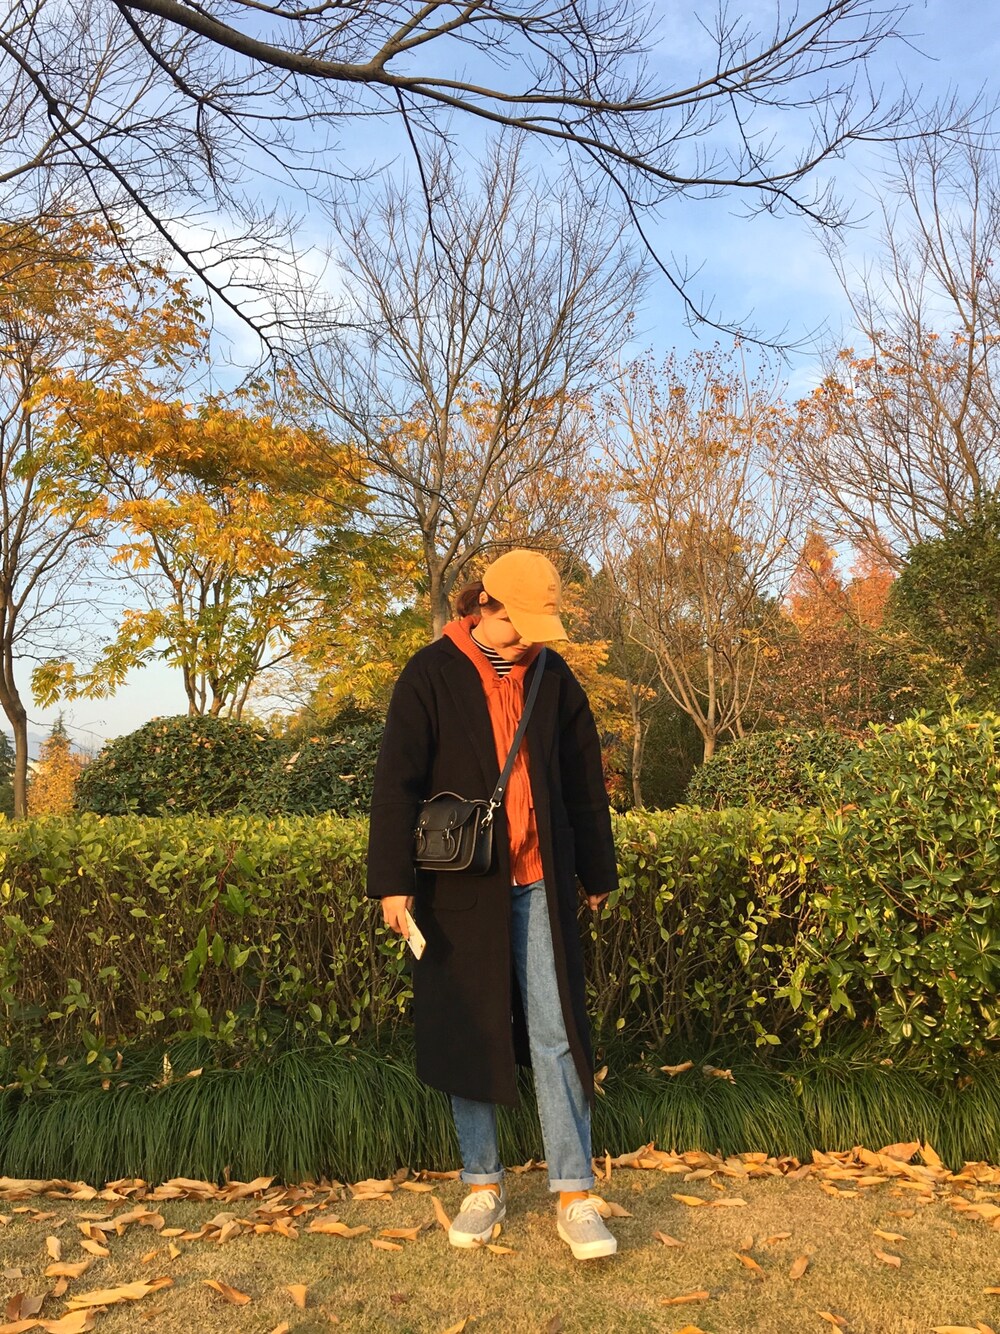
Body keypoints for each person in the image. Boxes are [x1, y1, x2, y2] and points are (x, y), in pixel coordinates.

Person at [367, 549, 619, 1260]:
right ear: (486, 605)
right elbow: (396, 782)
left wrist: (596, 868)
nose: (530, 636)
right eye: (520, 622)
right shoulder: (430, 673)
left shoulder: (553, 674)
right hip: (457, 885)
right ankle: (482, 1184)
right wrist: (392, 882)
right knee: (469, 1029)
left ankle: (575, 1193)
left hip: (541, 878)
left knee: (557, 1031)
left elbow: (583, 781)